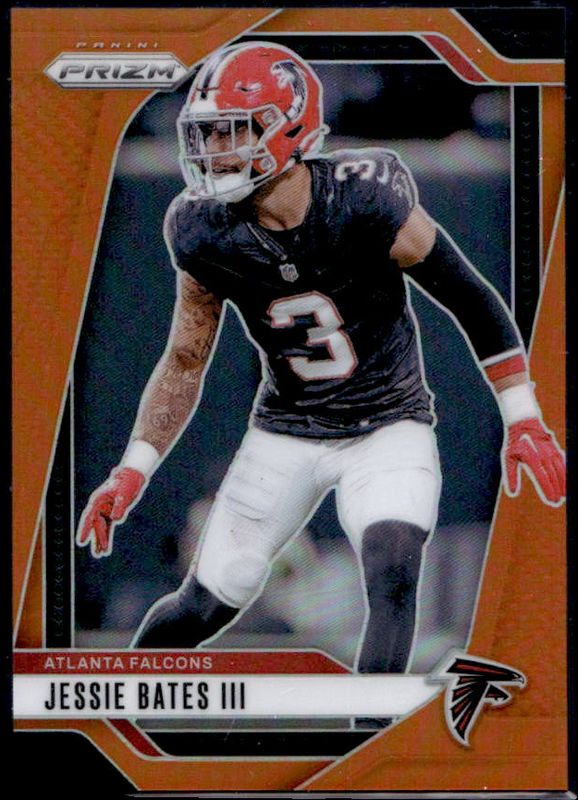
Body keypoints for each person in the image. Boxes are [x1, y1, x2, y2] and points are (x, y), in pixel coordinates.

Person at [77, 43, 565, 682]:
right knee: (205, 601)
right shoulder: (201, 226)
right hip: (286, 431)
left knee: (393, 563)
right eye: (207, 133)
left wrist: (522, 416)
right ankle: (120, 700)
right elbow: (186, 358)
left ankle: (373, 727)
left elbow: (468, 295)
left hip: (387, 421)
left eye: (231, 131)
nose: (214, 149)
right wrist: (132, 469)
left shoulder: (365, 196)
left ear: (290, 127)